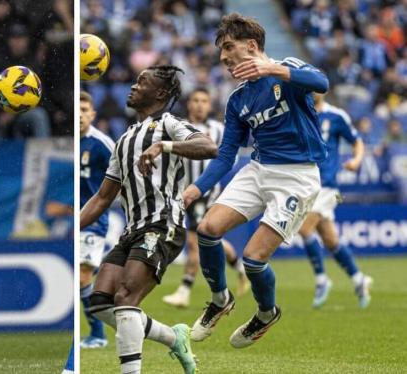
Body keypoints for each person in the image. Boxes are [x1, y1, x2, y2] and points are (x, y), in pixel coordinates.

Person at [181, 13, 329, 348]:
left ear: (252, 46)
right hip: (258, 170)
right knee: (207, 229)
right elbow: (226, 154)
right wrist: (196, 188)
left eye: (229, 47)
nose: (223, 57)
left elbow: (322, 83)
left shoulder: (286, 68)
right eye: (221, 51)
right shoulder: (237, 99)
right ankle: (220, 299)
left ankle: (266, 313)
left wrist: (271, 69)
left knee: (252, 259)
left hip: (297, 177)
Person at [81, 65, 219, 374]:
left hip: (162, 224)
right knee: (101, 302)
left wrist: (163, 146)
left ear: (159, 93)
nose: (132, 86)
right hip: (133, 230)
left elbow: (209, 146)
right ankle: (174, 337)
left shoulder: (169, 123)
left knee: (126, 297)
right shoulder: (124, 140)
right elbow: (103, 197)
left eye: (141, 82)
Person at [163, 88, 249, 308]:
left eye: (204, 100)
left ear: (210, 105)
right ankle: (241, 269)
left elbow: (230, 157)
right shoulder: (178, 128)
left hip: (206, 194)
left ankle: (184, 290)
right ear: (189, 104)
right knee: (212, 241)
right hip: (185, 194)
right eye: (195, 100)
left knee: (194, 243)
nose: (200, 104)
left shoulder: (219, 130)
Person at [298, 92, 372, 308]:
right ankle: (359, 280)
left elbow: (357, 142)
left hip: (328, 186)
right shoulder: (299, 113)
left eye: (316, 87)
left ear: (324, 90)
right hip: (305, 185)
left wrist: (356, 160)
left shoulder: (337, 116)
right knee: (330, 240)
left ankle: (321, 279)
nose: (312, 91)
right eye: (308, 87)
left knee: (303, 229)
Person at [79, 91, 115, 349]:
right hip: (76, 219)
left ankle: (98, 334)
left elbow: (124, 170)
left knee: (82, 278)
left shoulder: (101, 143)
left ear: (93, 114)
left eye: (84, 110)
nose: (80, 115)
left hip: (94, 219)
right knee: (81, 279)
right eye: (76, 110)